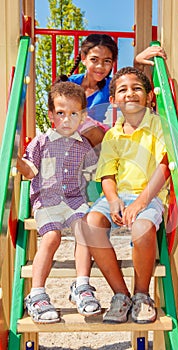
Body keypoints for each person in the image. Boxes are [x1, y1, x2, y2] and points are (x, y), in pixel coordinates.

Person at [77, 66, 170, 324]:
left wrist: (140, 202)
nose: (130, 94)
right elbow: (108, 174)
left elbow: (165, 166)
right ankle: (121, 294)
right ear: (113, 100)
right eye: (122, 90)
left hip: (149, 196)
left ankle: (142, 294)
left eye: (137, 88)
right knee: (91, 223)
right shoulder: (113, 135)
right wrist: (114, 200)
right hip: (118, 195)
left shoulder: (160, 126)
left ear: (149, 97)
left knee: (141, 227)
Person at [16, 81, 99, 323]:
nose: (66, 119)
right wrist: (17, 160)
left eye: (74, 114)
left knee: (86, 230)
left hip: (74, 199)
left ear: (82, 116)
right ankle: (37, 293)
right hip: (47, 199)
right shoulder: (41, 141)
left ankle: (82, 286)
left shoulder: (84, 145)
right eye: (60, 113)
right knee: (52, 237)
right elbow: (30, 172)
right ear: (51, 114)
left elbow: (91, 175)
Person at [56, 34, 167, 147]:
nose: (100, 66)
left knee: (93, 129)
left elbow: (130, 87)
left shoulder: (109, 85)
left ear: (112, 63)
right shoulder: (70, 84)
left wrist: (137, 63)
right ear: (84, 58)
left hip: (94, 139)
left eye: (107, 61)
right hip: (70, 134)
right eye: (94, 59)